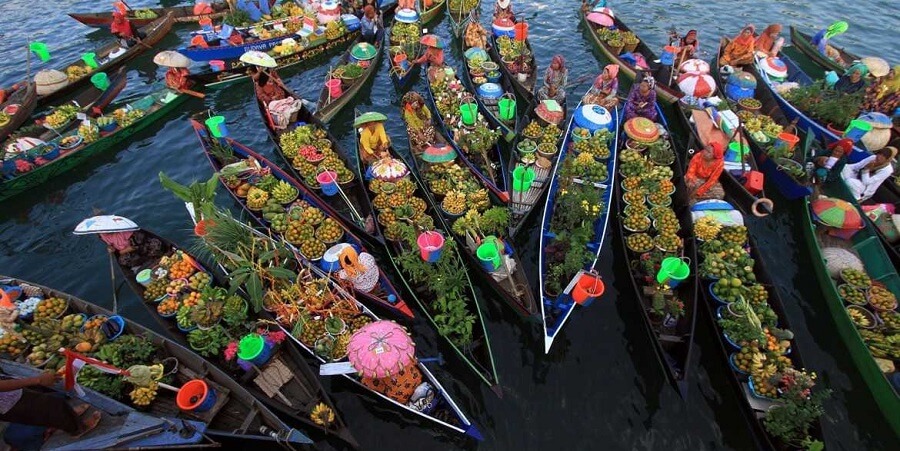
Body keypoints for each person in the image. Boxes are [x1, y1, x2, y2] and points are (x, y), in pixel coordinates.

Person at [0, 371, 101, 437]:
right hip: (8, 403)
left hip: (11, 392)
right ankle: (78, 429)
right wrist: (38, 380)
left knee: (48, 403)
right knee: (50, 408)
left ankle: (70, 415)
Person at [101, 230, 167, 270]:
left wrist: (121, 252)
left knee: (156, 244)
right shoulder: (103, 235)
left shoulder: (124, 230)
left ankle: (152, 258)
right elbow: (110, 244)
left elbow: (135, 246)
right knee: (123, 261)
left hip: (139, 246)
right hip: (128, 253)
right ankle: (147, 260)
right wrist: (111, 249)